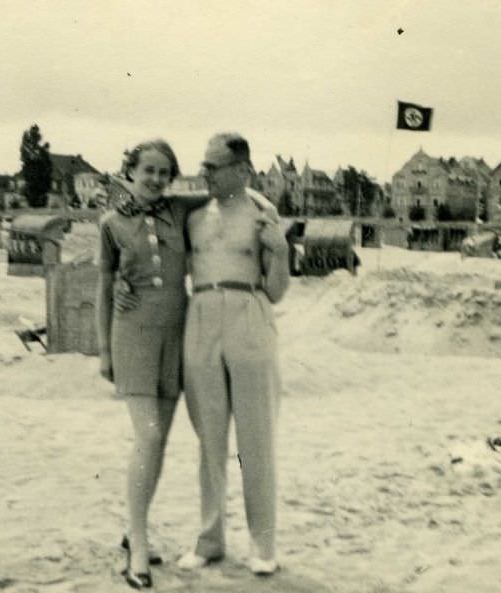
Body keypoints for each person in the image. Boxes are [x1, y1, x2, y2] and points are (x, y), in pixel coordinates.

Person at [176, 133, 289, 576]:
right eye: (203, 165)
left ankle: (263, 545)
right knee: (209, 440)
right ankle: (210, 540)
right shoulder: (194, 218)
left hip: (249, 314)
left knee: (256, 440)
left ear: (242, 170)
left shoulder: (264, 218)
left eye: (214, 166)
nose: (205, 173)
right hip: (201, 314)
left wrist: (279, 250)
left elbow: (277, 290)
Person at [96, 138, 206, 589]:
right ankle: (138, 544)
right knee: (150, 434)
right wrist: (103, 349)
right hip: (133, 335)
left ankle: (132, 529)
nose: (157, 180)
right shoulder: (111, 222)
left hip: (177, 337)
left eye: (164, 172)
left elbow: (232, 193)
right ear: (130, 171)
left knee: (158, 443)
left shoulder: (180, 209)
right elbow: (103, 284)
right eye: (148, 171)